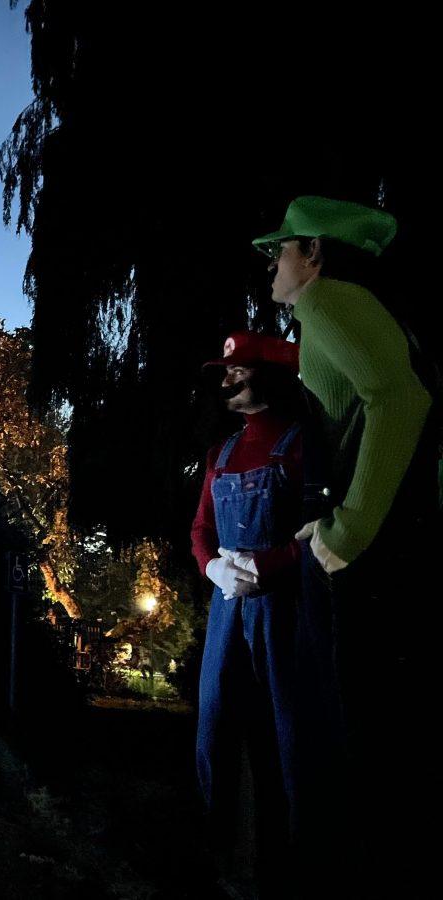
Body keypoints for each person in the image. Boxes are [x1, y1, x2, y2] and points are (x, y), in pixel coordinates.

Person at [254, 195, 434, 891]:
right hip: (374, 547)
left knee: (359, 736)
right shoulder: (336, 309)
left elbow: (401, 400)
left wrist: (346, 531)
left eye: (283, 250)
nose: (274, 264)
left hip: (375, 555)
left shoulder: (328, 303)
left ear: (315, 255)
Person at [191, 330, 306, 891]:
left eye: (237, 370)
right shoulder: (222, 453)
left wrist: (272, 566)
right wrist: (212, 567)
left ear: (270, 376)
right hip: (225, 612)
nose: (226, 378)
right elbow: (200, 530)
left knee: (286, 735)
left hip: (282, 612)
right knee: (214, 728)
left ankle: (290, 866)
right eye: (224, 371)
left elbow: (317, 535)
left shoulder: (299, 443)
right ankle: (223, 864)